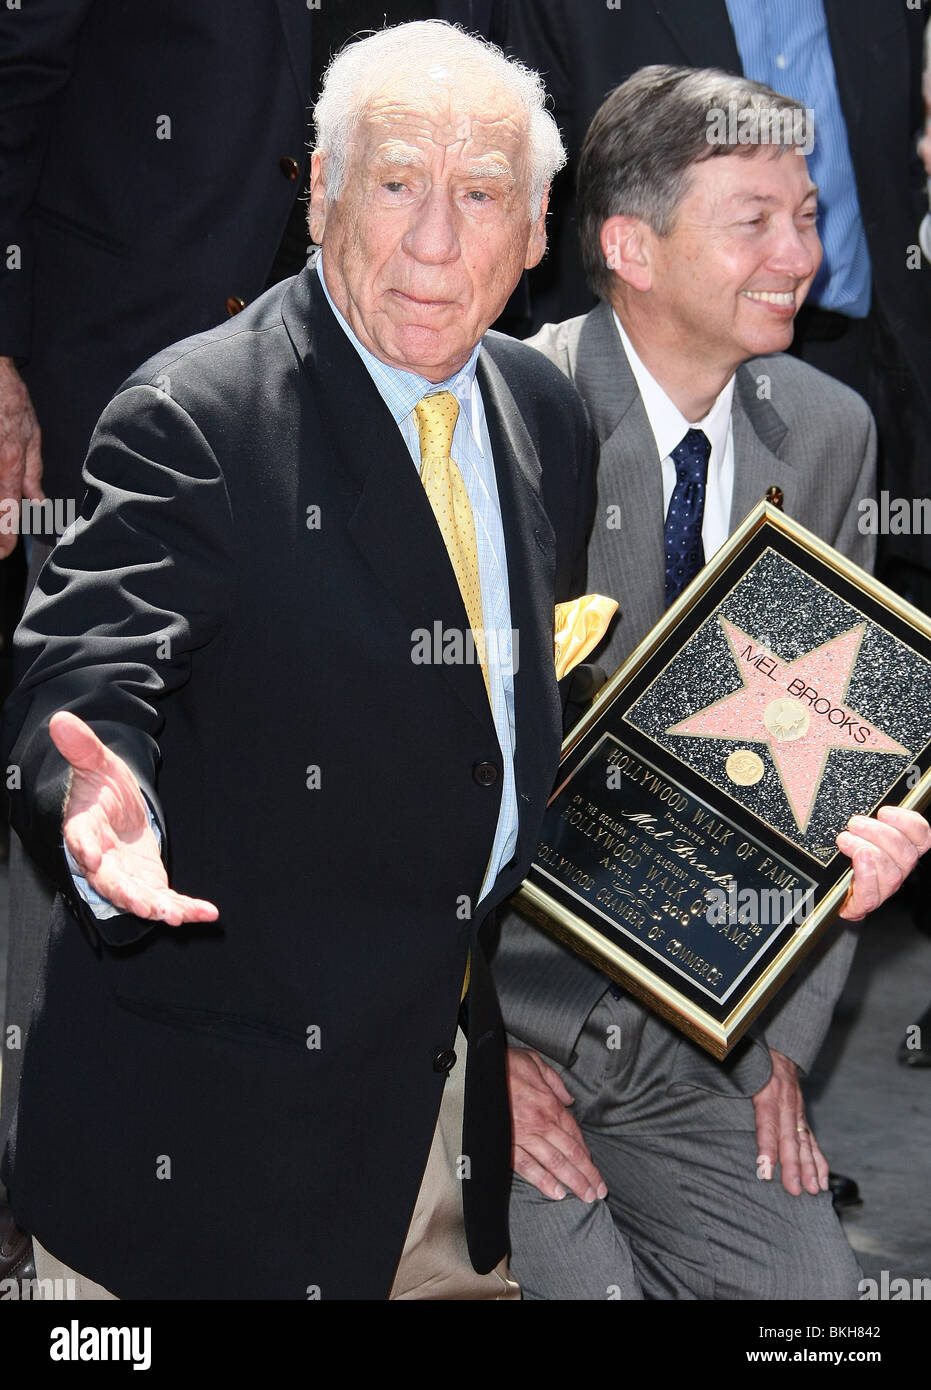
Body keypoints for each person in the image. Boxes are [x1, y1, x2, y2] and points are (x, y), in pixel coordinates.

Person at [0, 20, 598, 1300]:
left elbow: (498, 747)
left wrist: (796, 845)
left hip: (432, 1160)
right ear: (322, 191)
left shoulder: (546, 415)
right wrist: (106, 806)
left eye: (479, 195)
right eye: (393, 185)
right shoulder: (196, 416)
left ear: (538, 230)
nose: (435, 242)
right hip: (205, 1177)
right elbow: (92, 662)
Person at [491, 66, 931, 1301]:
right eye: (756, 220)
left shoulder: (828, 426)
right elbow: (399, 784)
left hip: (699, 1037)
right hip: (505, 1018)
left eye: (808, 214)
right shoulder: (507, 411)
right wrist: (462, 1063)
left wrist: (776, 1044)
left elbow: (828, 764)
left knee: (814, 1312)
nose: (801, 253)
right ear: (629, 244)